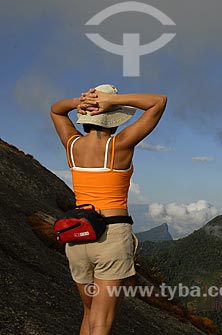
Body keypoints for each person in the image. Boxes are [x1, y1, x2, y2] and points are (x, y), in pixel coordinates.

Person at [51, 84, 167, 335]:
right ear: (113, 118)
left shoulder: (73, 146)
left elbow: (56, 111)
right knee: (102, 322)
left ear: (85, 119)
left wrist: (77, 102)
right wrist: (111, 100)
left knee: (89, 314)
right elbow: (158, 101)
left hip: (78, 238)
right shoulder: (119, 145)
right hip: (111, 238)